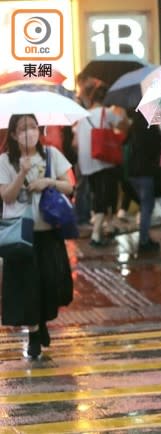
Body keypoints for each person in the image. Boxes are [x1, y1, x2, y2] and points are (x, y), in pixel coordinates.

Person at [0, 114, 74, 358]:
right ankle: (33, 334)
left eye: (32, 127)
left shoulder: (51, 155)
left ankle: (41, 322)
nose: (29, 133)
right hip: (21, 235)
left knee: (50, 284)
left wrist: (47, 181)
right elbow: (7, 197)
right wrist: (21, 174)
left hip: (48, 233)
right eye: (22, 129)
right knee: (27, 288)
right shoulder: (4, 161)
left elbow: (70, 186)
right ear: (13, 134)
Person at [74, 82, 127, 246]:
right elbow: (124, 125)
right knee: (105, 198)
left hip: (86, 163)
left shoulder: (82, 116)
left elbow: (76, 143)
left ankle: (106, 227)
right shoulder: (107, 112)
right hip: (104, 161)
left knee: (97, 195)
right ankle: (96, 234)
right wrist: (121, 110)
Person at [126, 110, 161, 252]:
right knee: (147, 206)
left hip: (132, 171)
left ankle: (145, 236)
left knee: (145, 206)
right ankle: (144, 240)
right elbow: (157, 148)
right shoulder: (150, 129)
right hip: (146, 172)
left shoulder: (133, 128)